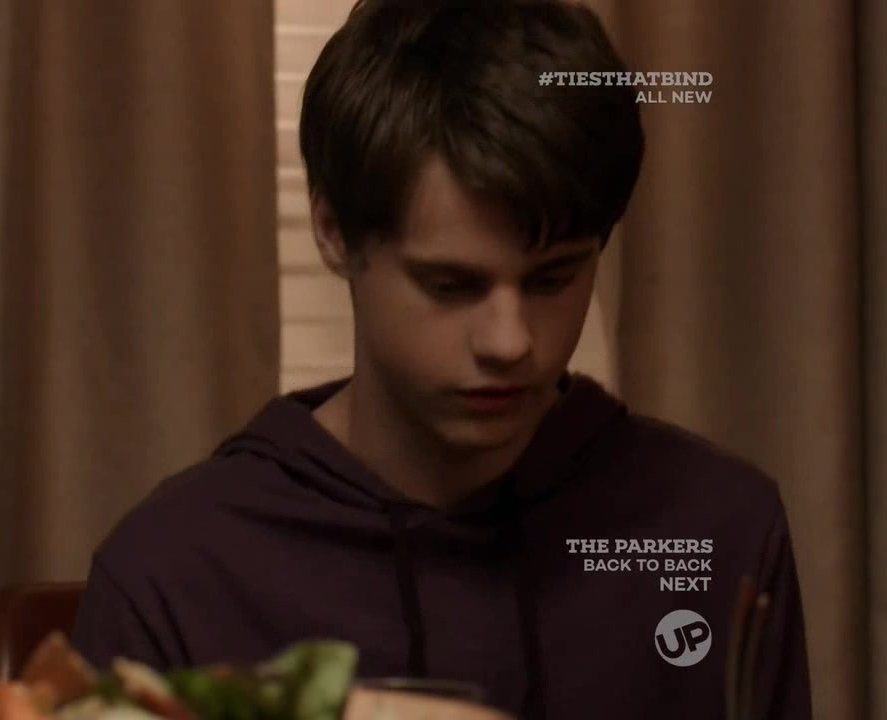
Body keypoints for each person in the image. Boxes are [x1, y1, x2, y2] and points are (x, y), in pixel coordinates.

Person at [72, 1, 812, 718]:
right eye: (451, 285)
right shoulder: (180, 575)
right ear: (333, 231)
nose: (511, 342)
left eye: (552, 279)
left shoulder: (715, 531)